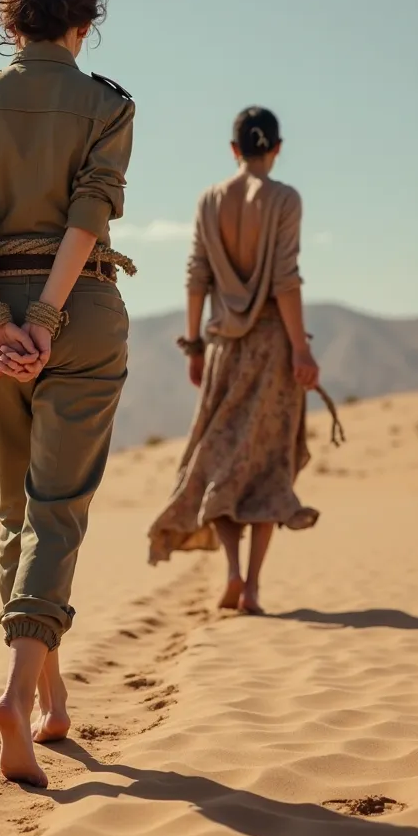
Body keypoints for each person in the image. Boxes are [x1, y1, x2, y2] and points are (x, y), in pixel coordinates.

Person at [0, 0, 135, 787]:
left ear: (10, 21)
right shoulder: (107, 104)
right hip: (80, 314)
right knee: (56, 517)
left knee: (16, 511)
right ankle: (21, 697)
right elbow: (91, 209)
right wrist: (49, 317)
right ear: (84, 24)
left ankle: (52, 704)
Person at [147, 106, 320, 615]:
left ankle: (232, 570)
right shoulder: (284, 199)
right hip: (272, 348)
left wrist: (194, 345)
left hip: (223, 346)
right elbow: (285, 281)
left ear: (234, 149)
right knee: (268, 465)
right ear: (278, 148)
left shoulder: (210, 200)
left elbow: (196, 275)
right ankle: (253, 589)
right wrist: (303, 349)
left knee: (221, 458)